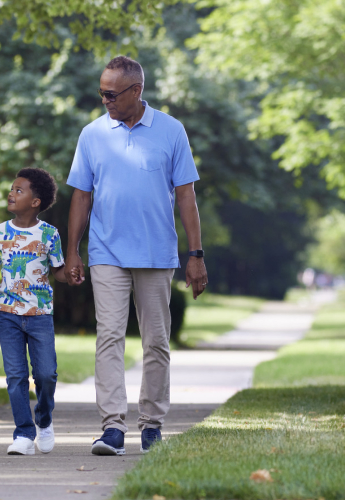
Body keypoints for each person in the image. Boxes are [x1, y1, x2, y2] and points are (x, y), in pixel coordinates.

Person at [65, 56, 208, 456]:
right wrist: (72, 251)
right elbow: (81, 195)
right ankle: (112, 427)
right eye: (102, 93)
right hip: (106, 251)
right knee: (108, 337)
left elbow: (186, 196)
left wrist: (195, 254)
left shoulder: (171, 130)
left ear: (136, 91)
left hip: (157, 252)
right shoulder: (92, 134)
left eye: (112, 94)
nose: (105, 100)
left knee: (156, 342)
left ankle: (152, 424)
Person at [0, 168, 68, 455]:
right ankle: (23, 434)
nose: (11, 193)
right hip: (7, 313)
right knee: (15, 375)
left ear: (35, 201)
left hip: (40, 315)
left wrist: (73, 275)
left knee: (46, 374)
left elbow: (59, 272)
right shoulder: (0, 232)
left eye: (19, 190)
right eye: (12, 189)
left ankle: (43, 421)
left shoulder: (49, 234)